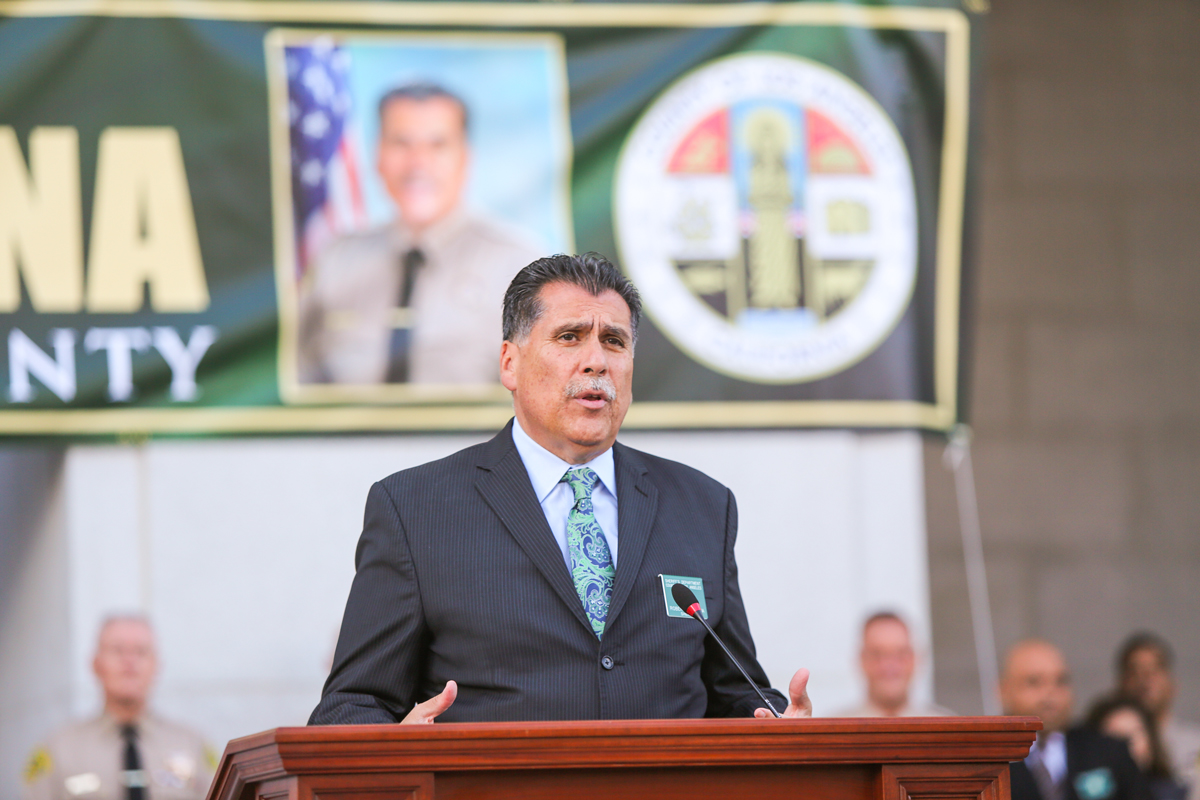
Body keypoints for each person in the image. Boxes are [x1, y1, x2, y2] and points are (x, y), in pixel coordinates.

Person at [308, 252, 811, 724]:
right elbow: (352, 704)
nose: (597, 361)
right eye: (570, 337)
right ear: (510, 363)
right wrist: (396, 745)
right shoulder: (416, 510)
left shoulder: (702, 506)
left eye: (614, 341)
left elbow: (737, 690)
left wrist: (774, 724)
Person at [298, 82, 541, 385]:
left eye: (437, 145)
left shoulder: (519, 266)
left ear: (465, 158)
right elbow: (301, 380)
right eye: (401, 143)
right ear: (379, 156)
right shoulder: (336, 262)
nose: (418, 163)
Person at [22, 615, 216, 800]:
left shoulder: (193, 746)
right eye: (117, 650)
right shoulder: (58, 749)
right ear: (96, 665)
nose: (129, 662)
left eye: (141, 651)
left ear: (156, 665)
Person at [1001, 639, 1151, 800]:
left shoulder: (1111, 753)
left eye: (1061, 681)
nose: (1049, 692)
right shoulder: (988, 763)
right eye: (1034, 682)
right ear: (1003, 690)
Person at [1117, 633, 1200, 795]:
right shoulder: (1105, 745)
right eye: (1135, 671)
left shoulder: (1197, 744)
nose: (1145, 679)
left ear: (1173, 684)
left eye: (1155, 669)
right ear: (1121, 684)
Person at [834, 611, 954, 717]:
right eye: (877, 654)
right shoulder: (832, 731)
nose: (889, 666)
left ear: (914, 659)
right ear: (862, 660)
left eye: (901, 654)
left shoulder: (948, 729)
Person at [1085, 695, 1188, 800]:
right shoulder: (1078, 792)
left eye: (1133, 733)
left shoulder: (1176, 794)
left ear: (1151, 743)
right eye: (1115, 735)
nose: (1126, 745)